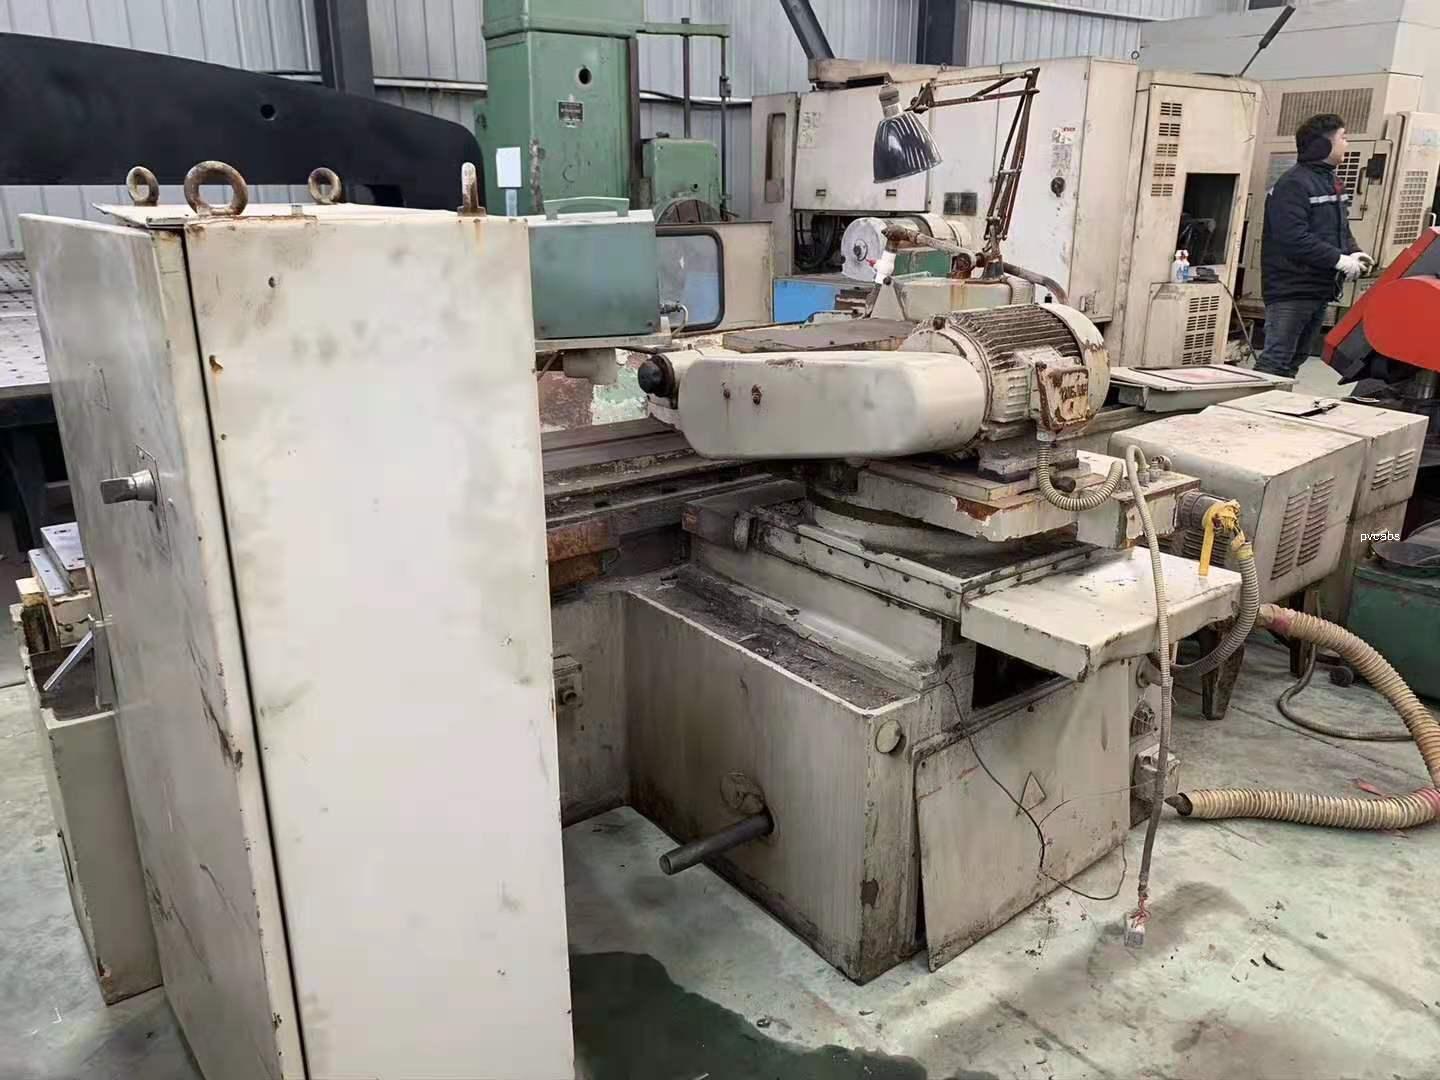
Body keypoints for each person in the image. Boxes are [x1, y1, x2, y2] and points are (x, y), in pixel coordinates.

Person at [1256, 113, 1373, 378]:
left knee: (1295, 359)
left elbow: (1340, 228)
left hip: (1318, 288)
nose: (1347, 144)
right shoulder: (1293, 184)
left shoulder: (1331, 182)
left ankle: (1276, 402)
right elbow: (1293, 238)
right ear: (1322, 145)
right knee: (1276, 360)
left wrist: (1353, 251)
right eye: (1343, 138)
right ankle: (1253, 402)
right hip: (1292, 288)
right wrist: (1339, 260)